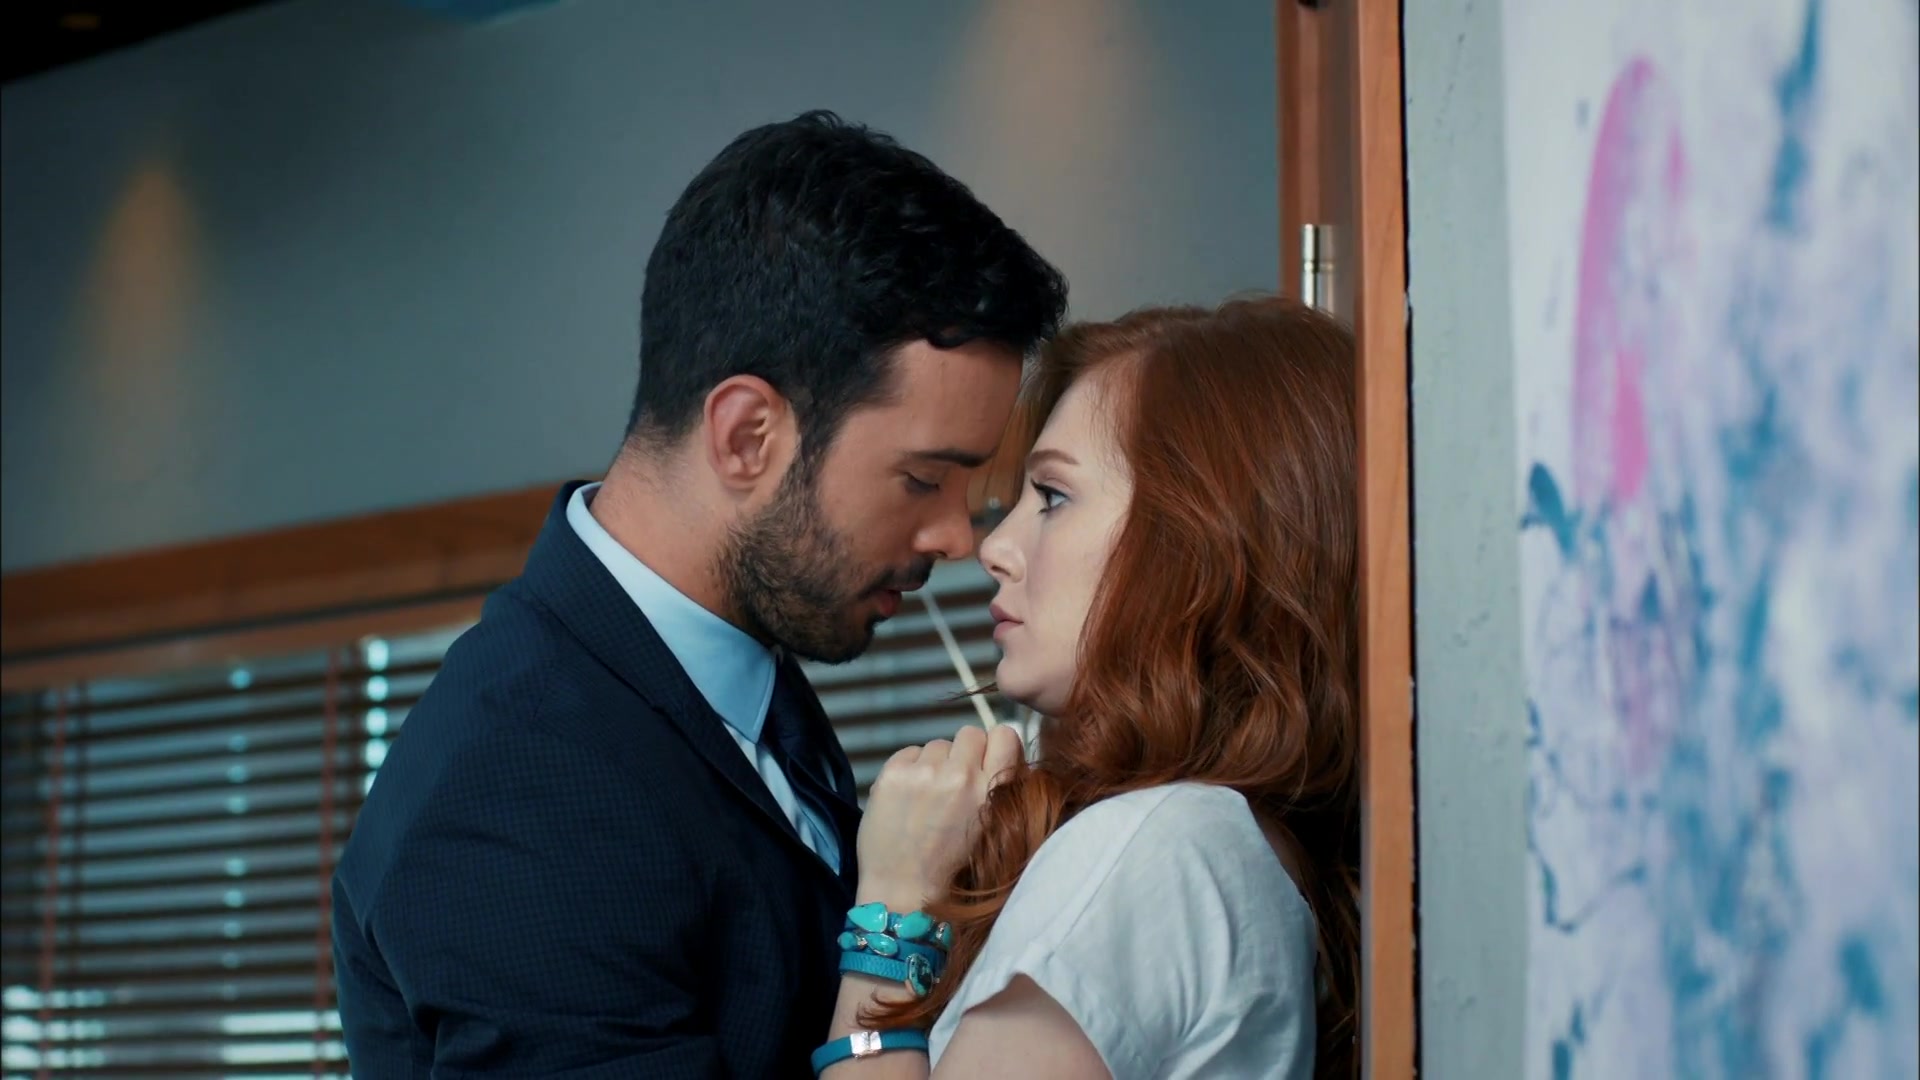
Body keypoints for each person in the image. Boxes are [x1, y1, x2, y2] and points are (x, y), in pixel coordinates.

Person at [331, 111, 1067, 1076]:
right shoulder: (514, 789)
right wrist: (894, 925)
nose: (958, 539)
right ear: (747, 436)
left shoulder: (736, 674)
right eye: (924, 479)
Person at [808, 297, 1363, 1079]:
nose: (995, 546)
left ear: (1197, 545)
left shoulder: (1154, 847)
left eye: (1053, 496)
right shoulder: (1226, 841)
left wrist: (892, 915)